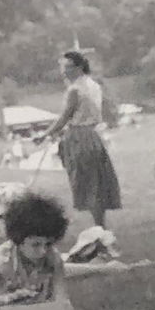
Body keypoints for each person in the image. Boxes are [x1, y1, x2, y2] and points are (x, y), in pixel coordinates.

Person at [35, 51, 121, 230]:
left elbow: (65, 117)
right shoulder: (94, 85)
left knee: (86, 181)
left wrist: (45, 134)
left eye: (68, 67)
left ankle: (99, 228)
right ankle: (100, 225)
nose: (64, 71)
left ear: (79, 67)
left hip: (79, 137)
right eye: (62, 67)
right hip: (92, 135)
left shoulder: (75, 89)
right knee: (96, 181)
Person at [0, 191, 69, 309]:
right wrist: (10, 298)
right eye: (36, 245)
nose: (43, 251)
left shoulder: (53, 257)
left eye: (48, 244)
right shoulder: (1, 260)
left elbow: (62, 299)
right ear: (18, 241)